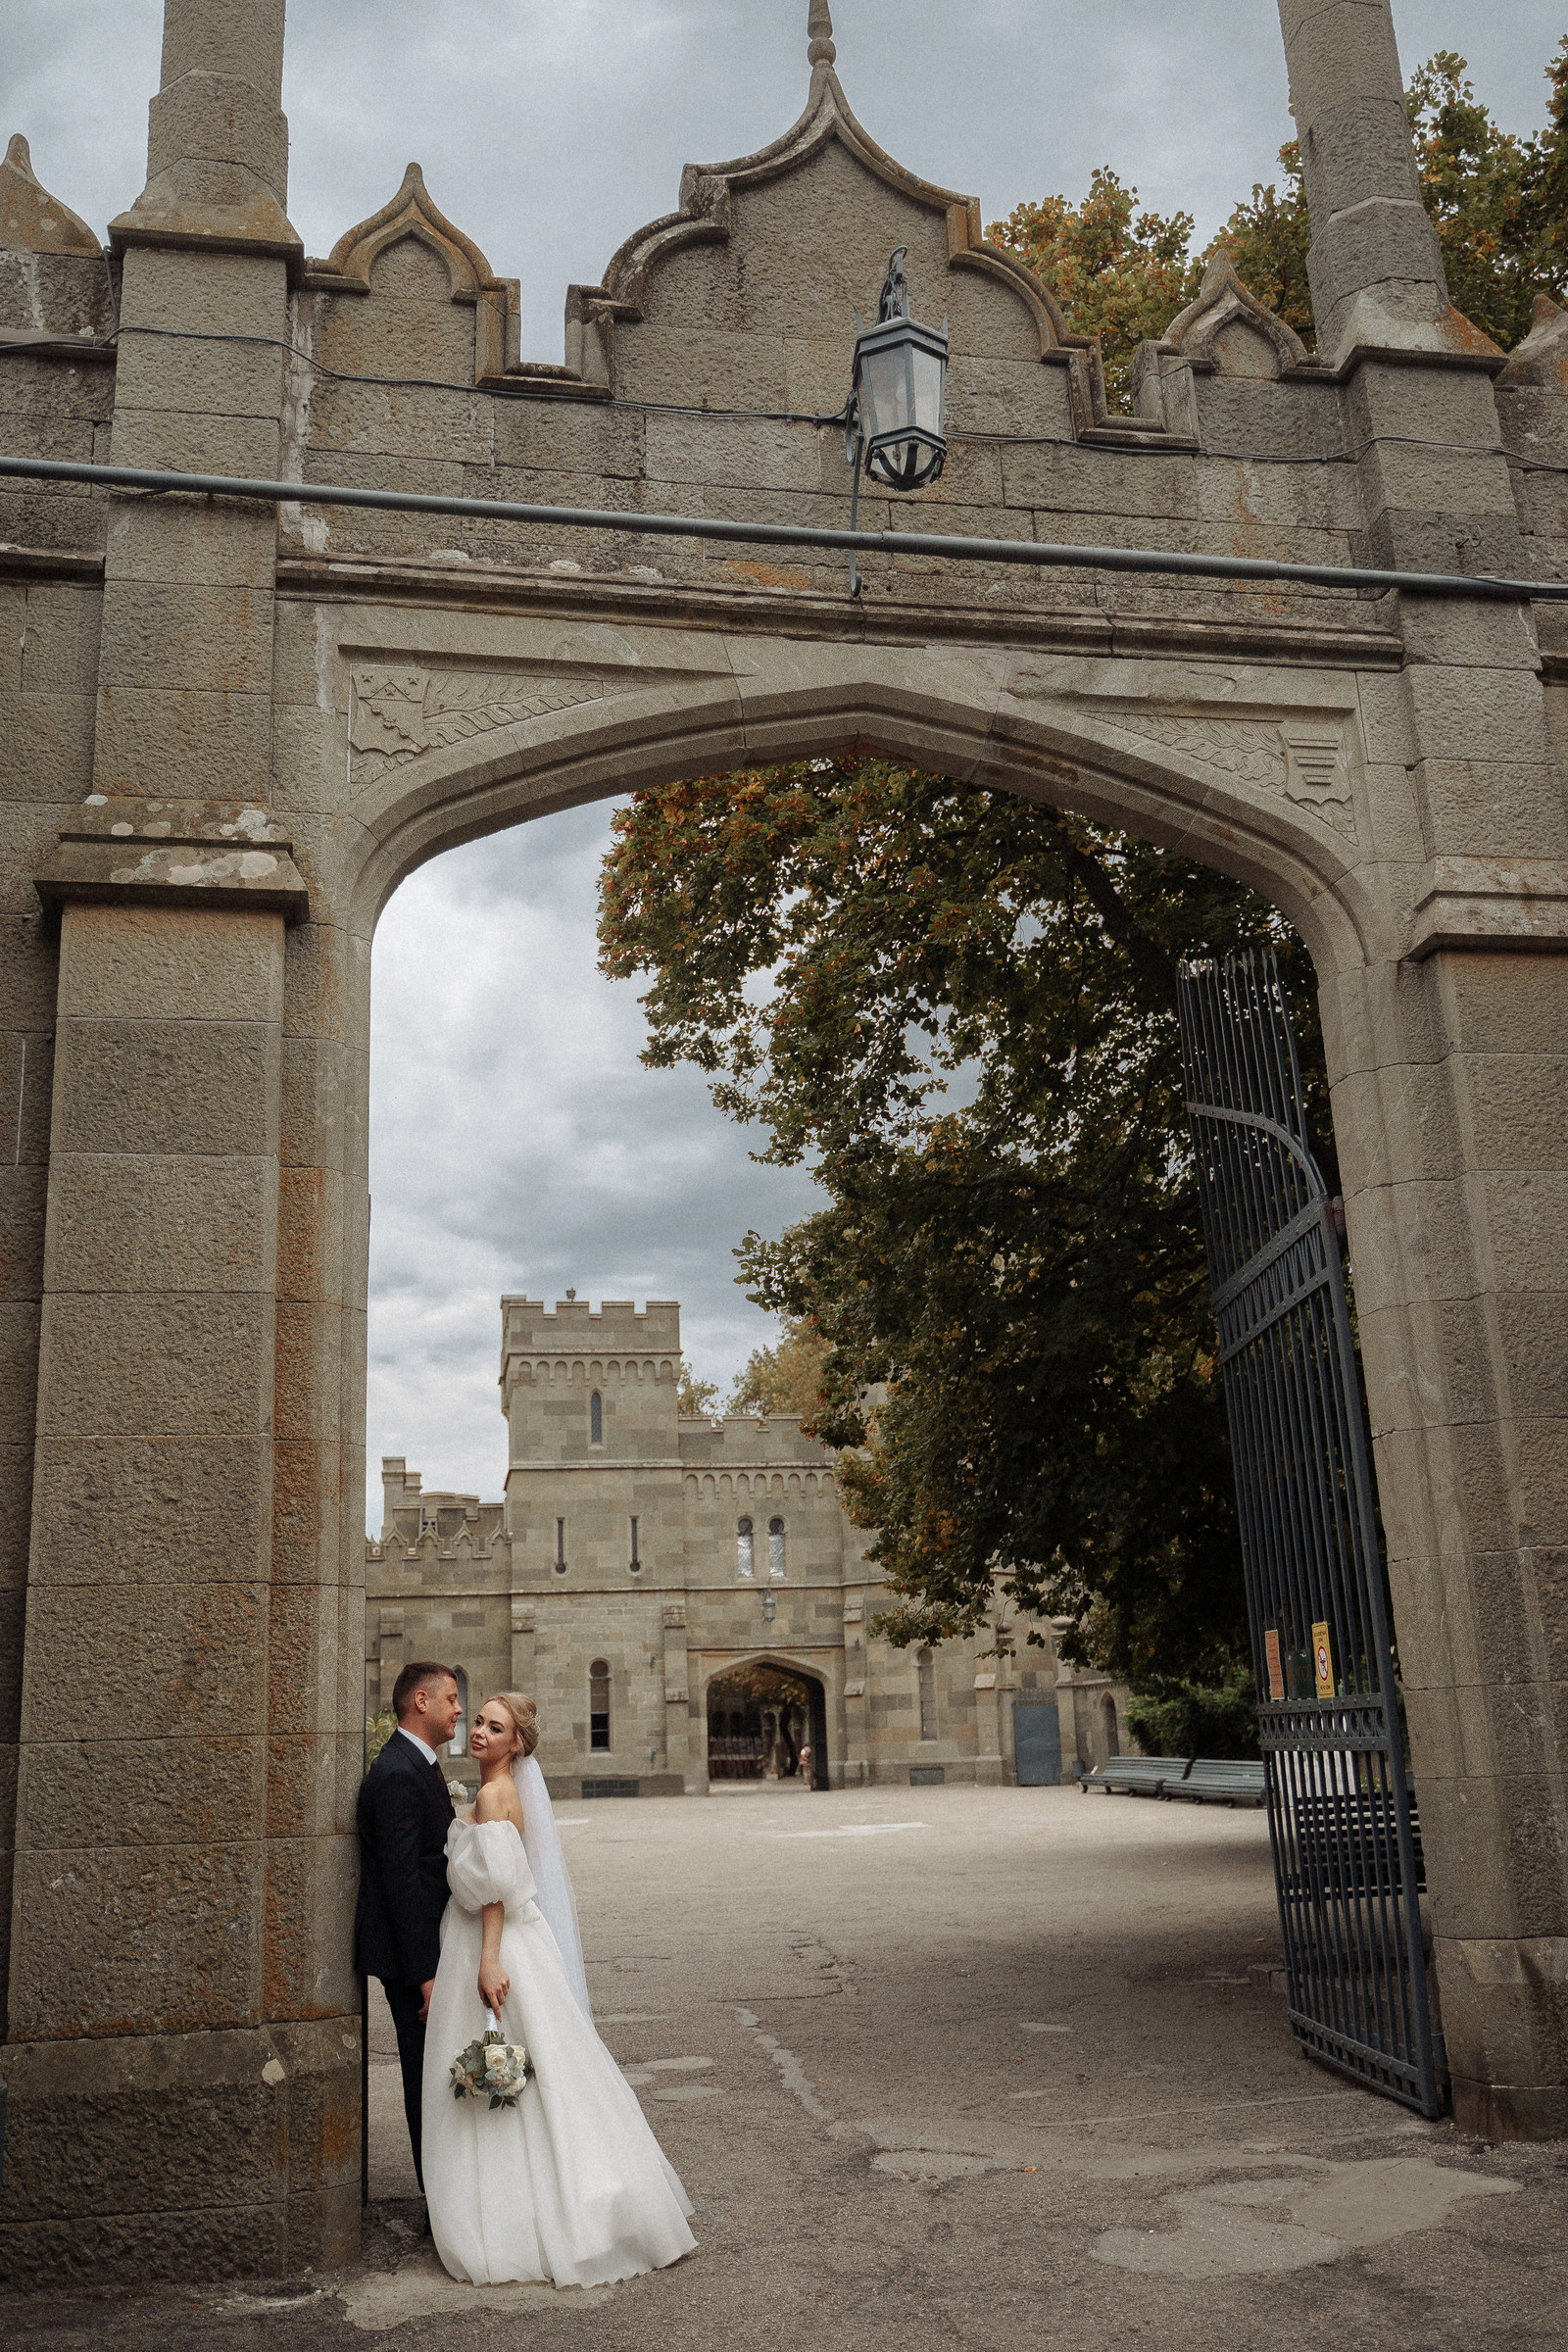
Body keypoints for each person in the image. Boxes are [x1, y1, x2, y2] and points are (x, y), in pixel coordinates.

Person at [421, 1691, 697, 2287]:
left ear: (516, 1743)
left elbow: (497, 1889)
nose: (480, 1732)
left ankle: (540, 2213)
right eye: (478, 1722)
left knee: (518, 2065)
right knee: (539, 2067)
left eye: (495, 1728)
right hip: (487, 1938)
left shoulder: (495, 1795)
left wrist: (489, 1960)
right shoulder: (490, 1791)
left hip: (492, 1944)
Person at [354, 1661, 462, 2197]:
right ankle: (437, 2201)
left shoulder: (417, 1763)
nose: (459, 1709)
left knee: (441, 2075)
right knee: (426, 2080)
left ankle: (448, 2194)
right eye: (451, 1699)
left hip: (432, 1952)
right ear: (422, 1702)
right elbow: (401, 1881)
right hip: (414, 1962)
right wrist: (426, 1976)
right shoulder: (397, 1773)